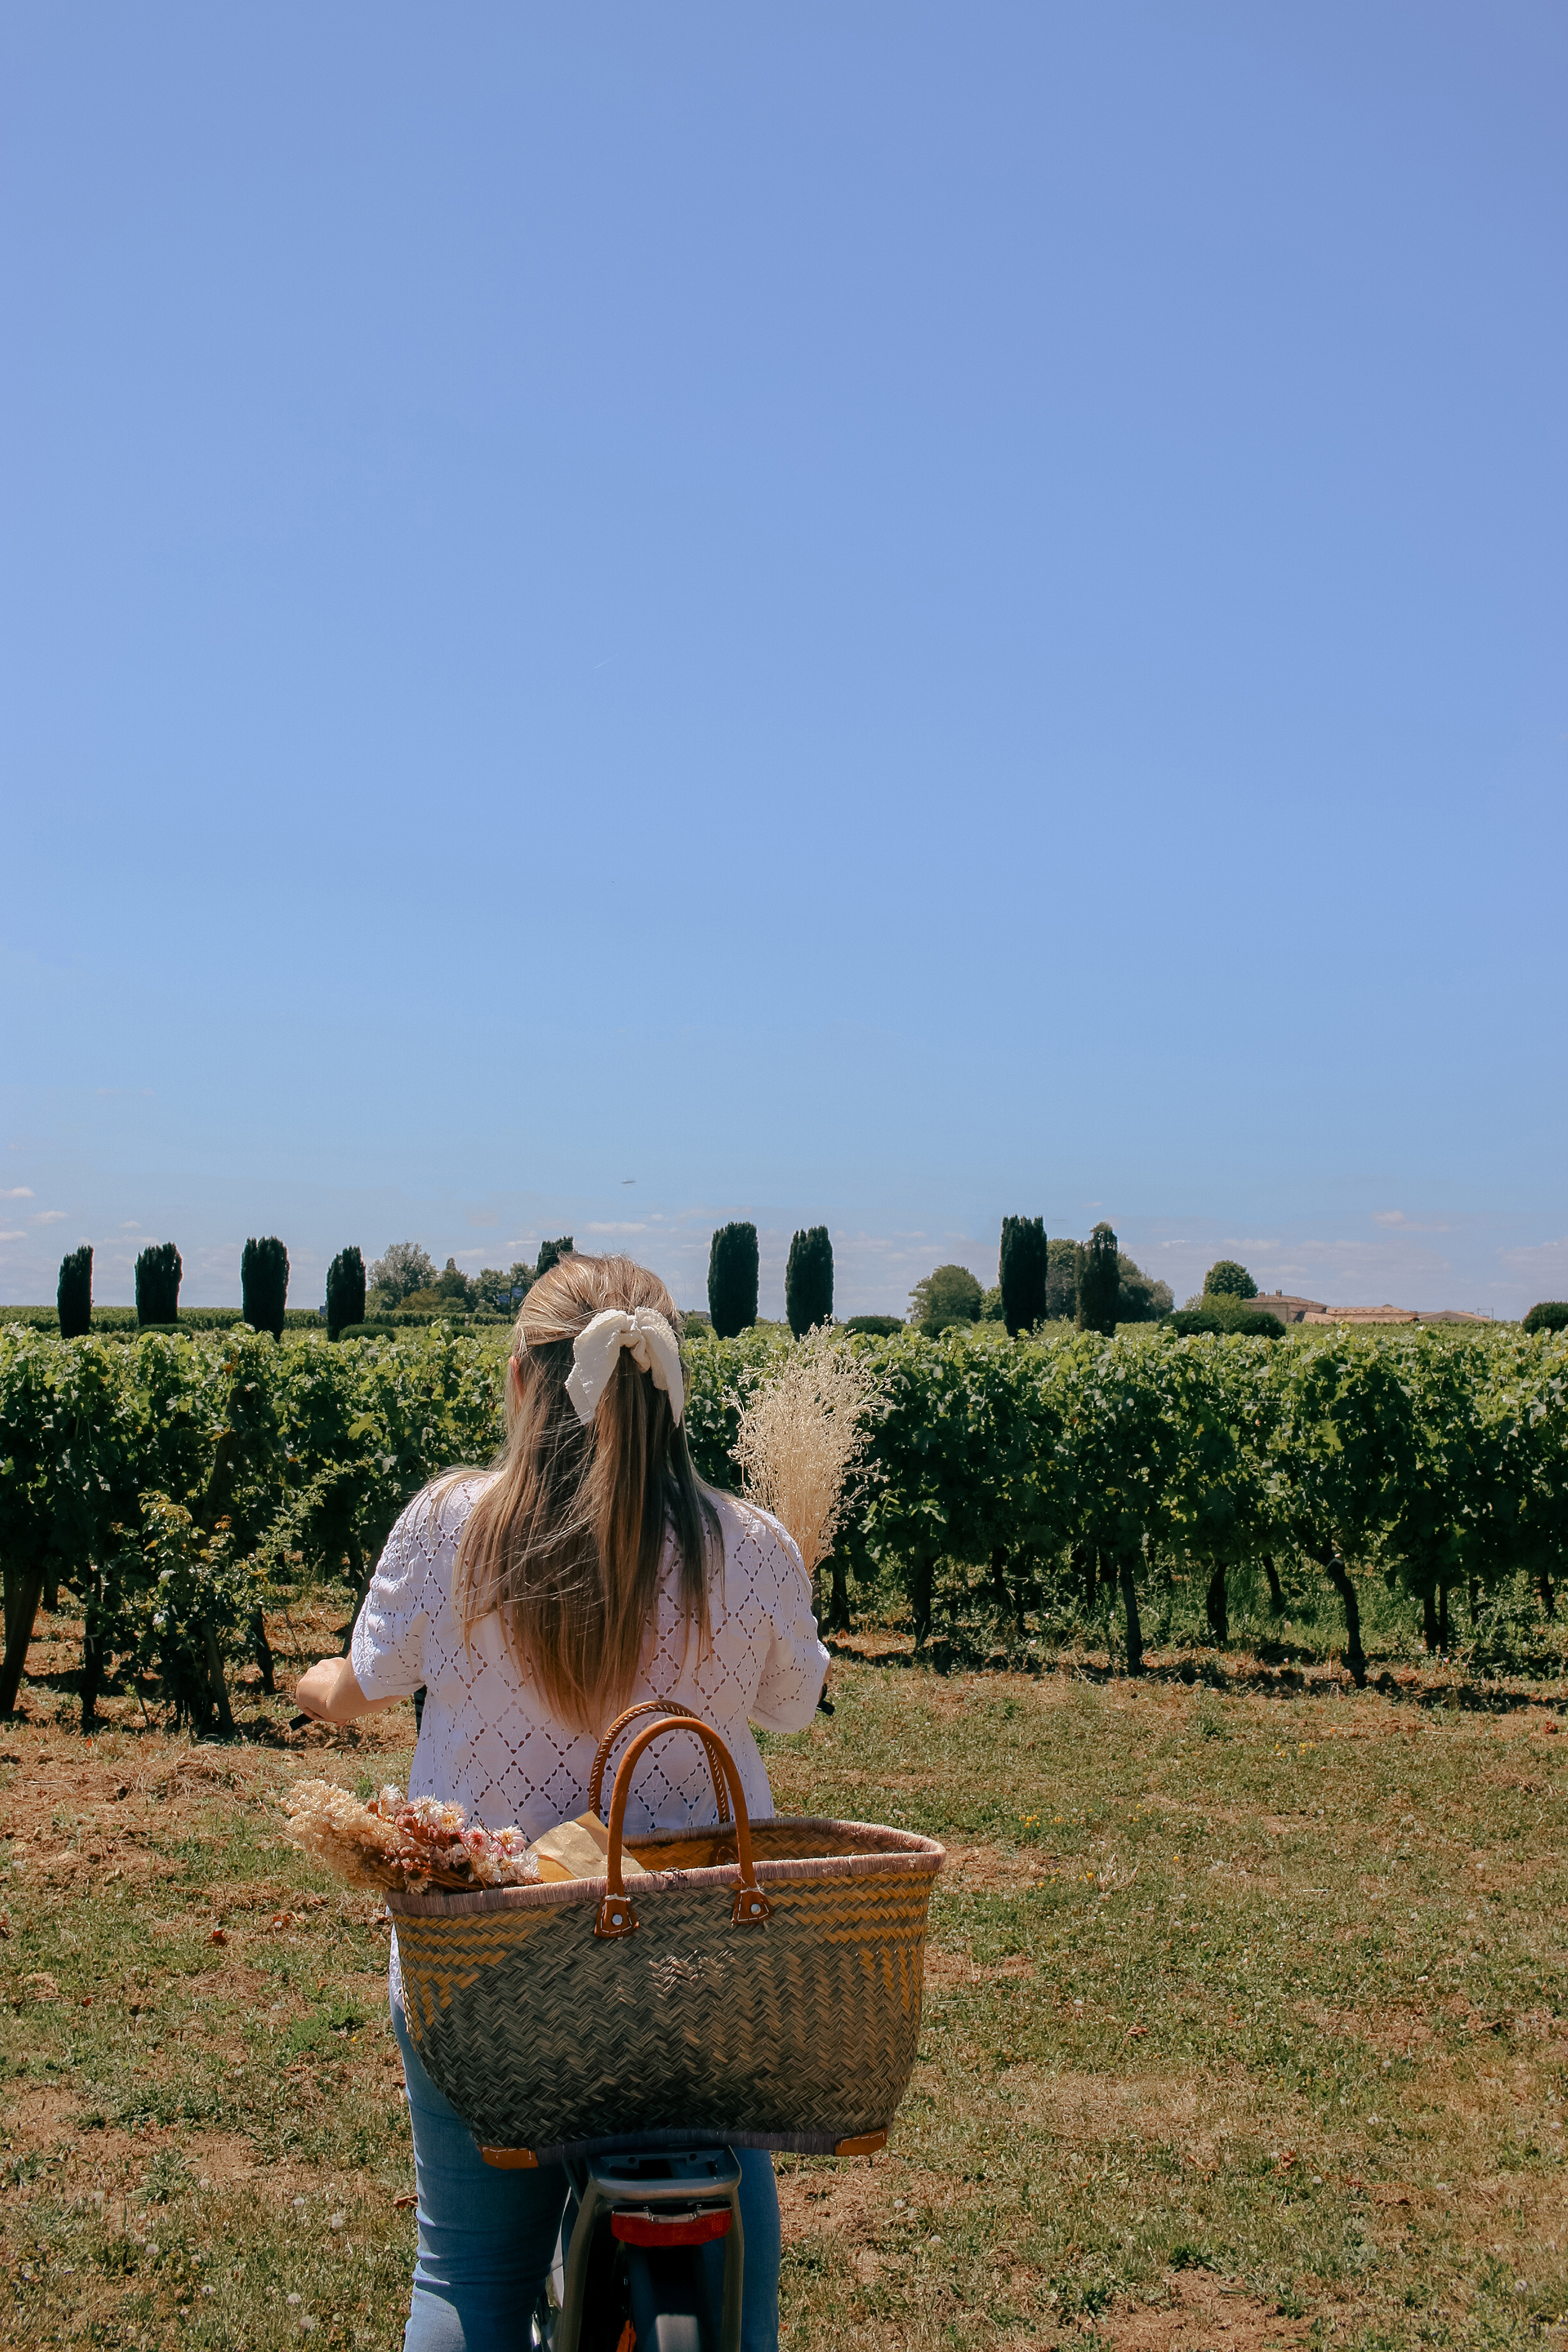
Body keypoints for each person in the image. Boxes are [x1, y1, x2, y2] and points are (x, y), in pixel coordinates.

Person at [296, 1252, 829, 2352]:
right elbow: (792, 1707)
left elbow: (360, 1686)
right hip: (697, 1973)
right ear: (674, 1387)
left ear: (519, 1381)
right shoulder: (754, 1544)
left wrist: (309, 1688)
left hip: (486, 1965)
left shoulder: (449, 1525)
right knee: (747, 2296)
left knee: (467, 2269)